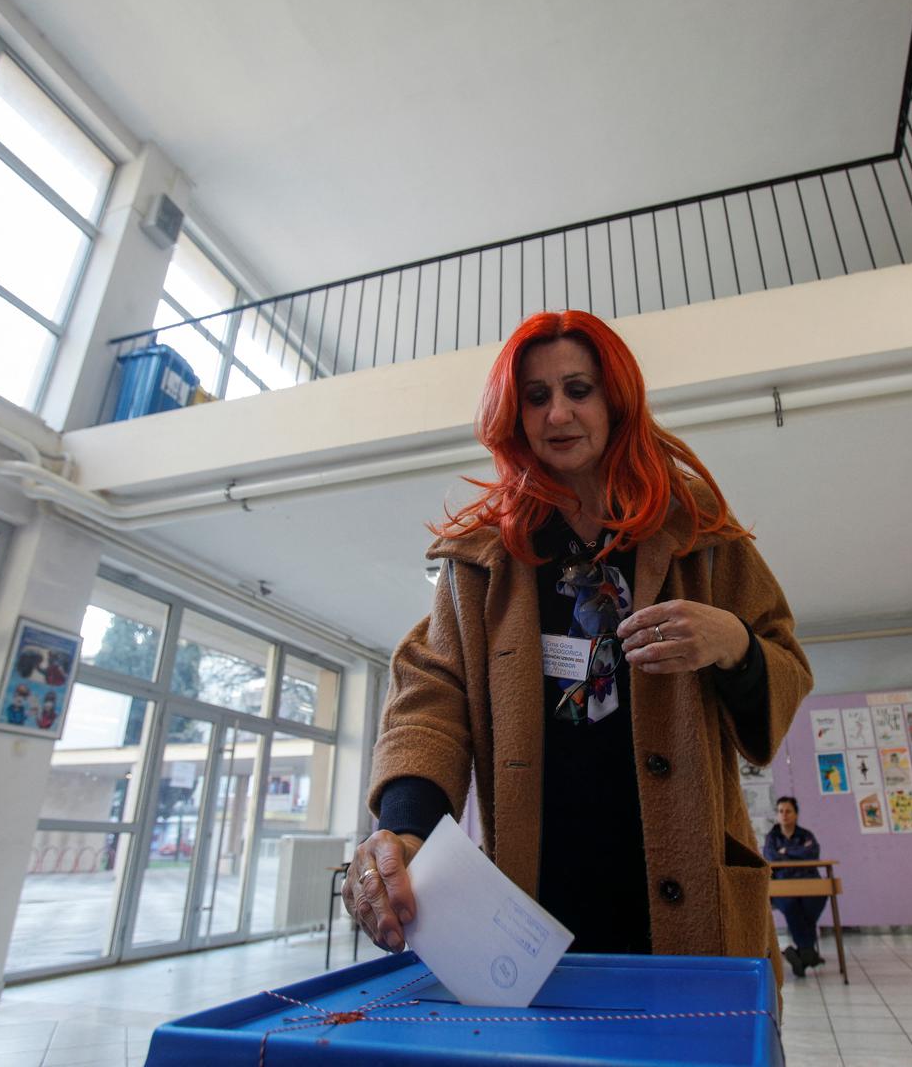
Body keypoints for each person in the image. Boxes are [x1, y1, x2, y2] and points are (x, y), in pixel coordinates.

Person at [342, 310, 813, 980]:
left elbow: (785, 661)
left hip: (685, 898)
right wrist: (407, 824)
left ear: (614, 399)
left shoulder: (697, 533)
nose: (557, 412)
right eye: (535, 396)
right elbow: (431, 693)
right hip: (535, 902)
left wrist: (733, 640)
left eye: (578, 389)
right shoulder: (482, 559)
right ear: (514, 414)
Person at [763, 795, 825, 976]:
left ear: (796, 814)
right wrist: (796, 854)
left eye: (788, 811)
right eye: (781, 811)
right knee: (791, 905)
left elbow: (812, 853)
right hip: (782, 885)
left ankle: (802, 953)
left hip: (809, 884)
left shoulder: (806, 835)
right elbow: (771, 857)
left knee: (811, 905)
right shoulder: (772, 837)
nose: (784, 815)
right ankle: (808, 953)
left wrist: (787, 851)